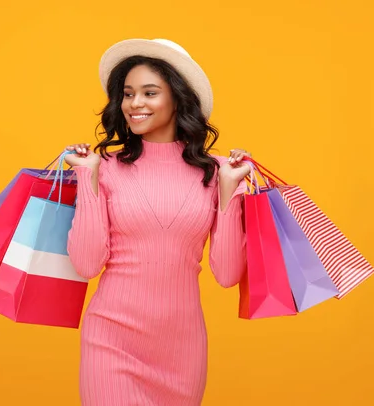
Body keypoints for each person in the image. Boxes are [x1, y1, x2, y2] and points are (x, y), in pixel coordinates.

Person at [64, 38, 252, 406]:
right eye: (128, 93)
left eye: (150, 92)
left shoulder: (216, 173)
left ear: (178, 98)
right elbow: (86, 265)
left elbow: (228, 274)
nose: (135, 104)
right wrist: (87, 182)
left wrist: (231, 190)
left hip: (182, 348)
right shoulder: (104, 169)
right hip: (111, 339)